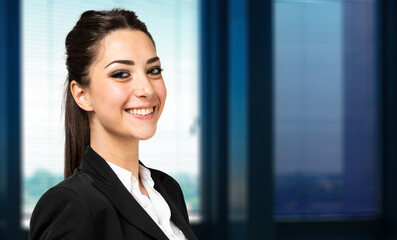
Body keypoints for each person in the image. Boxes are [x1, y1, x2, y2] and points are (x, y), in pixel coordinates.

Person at [29, 9, 198, 240]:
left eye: (153, 70)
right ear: (82, 95)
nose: (147, 89)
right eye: (121, 74)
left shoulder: (168, 189)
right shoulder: (71, 204)